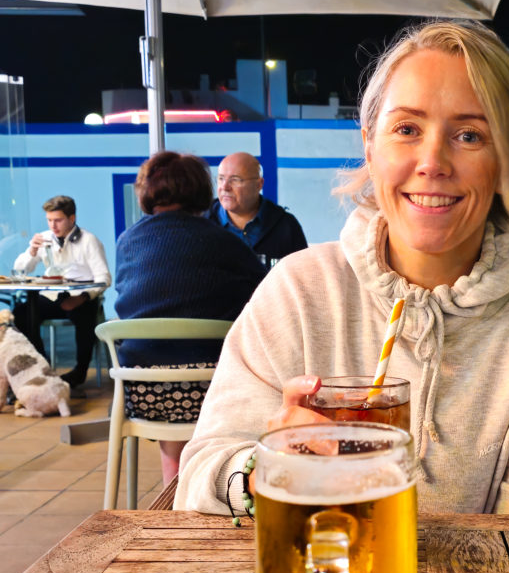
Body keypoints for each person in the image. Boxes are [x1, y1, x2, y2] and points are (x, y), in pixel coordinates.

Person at [176, 20, 509, 517]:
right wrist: (263, 471)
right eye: (407, 129)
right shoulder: (297, 293)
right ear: (370, 145)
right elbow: (196, 483)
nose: (432, 161)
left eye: (470, 135)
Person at [115, 151, 266, 484]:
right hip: (209, 392)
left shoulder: (127, 243)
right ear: (202, 191)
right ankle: (216, 487)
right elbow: (262, 299)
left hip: (142, 393)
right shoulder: (224, 242)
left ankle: (176, 485)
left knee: (165, 365)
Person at [12, 195, 111, 389]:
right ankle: (43, 367)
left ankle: (79, 372)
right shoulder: (45, 238)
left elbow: (104, 278)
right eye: (49, 220)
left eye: (58, 220)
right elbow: (21, 270)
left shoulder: (89, 241)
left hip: (81, 295)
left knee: (84, 314)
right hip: (53, 295)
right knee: (23, 314)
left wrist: (82, 297)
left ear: (72, 218)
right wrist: (31, 252)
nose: (53, 225)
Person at [207, 152, 307, 264]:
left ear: (259, 185)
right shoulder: (202, 222)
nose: (225, 187)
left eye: (235, 180)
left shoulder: (286, 226)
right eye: (221, 179)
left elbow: (303, 275)